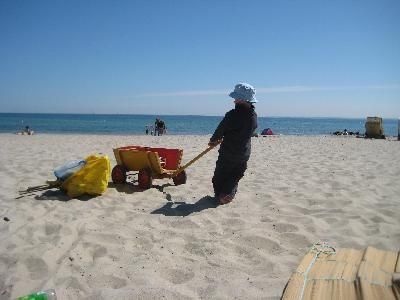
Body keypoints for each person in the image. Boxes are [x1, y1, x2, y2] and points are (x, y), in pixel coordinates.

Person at [208, 83, 258, 205]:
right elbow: (253, 130)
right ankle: (225, 194)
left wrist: (213, 140)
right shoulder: (253, 116)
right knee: (236, 174)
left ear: (241, 99)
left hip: (228, 152)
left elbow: (221, 129)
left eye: (236, 98)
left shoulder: (232, 115)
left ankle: (223, 194)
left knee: (219, 176)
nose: (234, 100)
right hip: (244, 153)